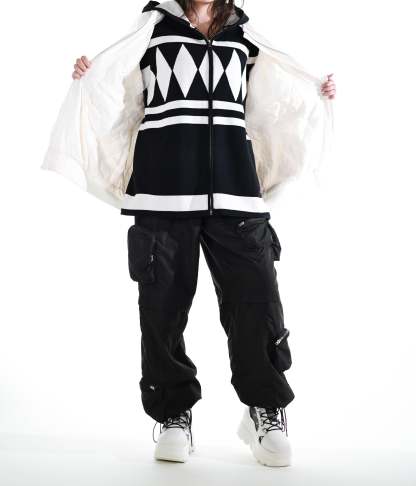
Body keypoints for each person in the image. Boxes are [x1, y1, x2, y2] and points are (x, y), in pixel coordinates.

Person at [66, 0, 335, 467]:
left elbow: (271, 103)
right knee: (162, 310)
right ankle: (173, 414)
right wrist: (92, 77)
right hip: (163, 193)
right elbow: (119, 96)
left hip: (237, 193)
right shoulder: (152, 31)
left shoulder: (245, 35)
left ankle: (264, 407)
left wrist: (314, 91)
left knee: (257, 303)